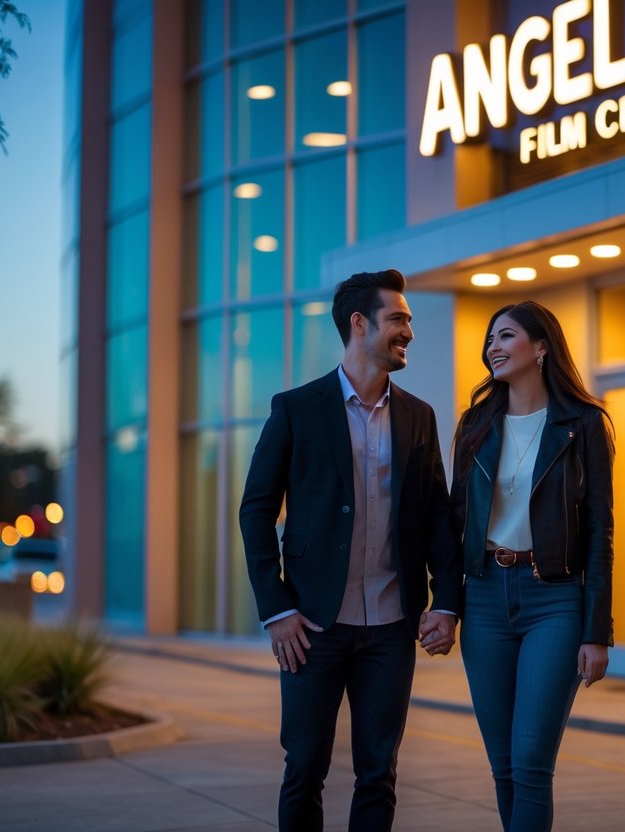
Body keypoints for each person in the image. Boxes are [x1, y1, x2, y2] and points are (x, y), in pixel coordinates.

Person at [239, 269, 463, 832]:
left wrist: (446, 601)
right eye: (399, 319)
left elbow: (437, 513)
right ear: (359, 324)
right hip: (313, 626)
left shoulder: (419, 416)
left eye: (409, 321)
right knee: (305, 767)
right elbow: (256, 510)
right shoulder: (297, 408)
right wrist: (278, 609)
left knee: (378, 773)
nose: (409, 331)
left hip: (391, 626)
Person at [451, 301, 614, 832]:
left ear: (541, 346)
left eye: (505, 336)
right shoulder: (475, 424)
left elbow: (598, 532)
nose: (492, 347)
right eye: (489, 339)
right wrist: (445, 604)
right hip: (484, 599)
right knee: (503, 768)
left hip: (555, 601)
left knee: (530, 765)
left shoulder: (582, 424)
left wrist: (596, 632)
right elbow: (455, 522)